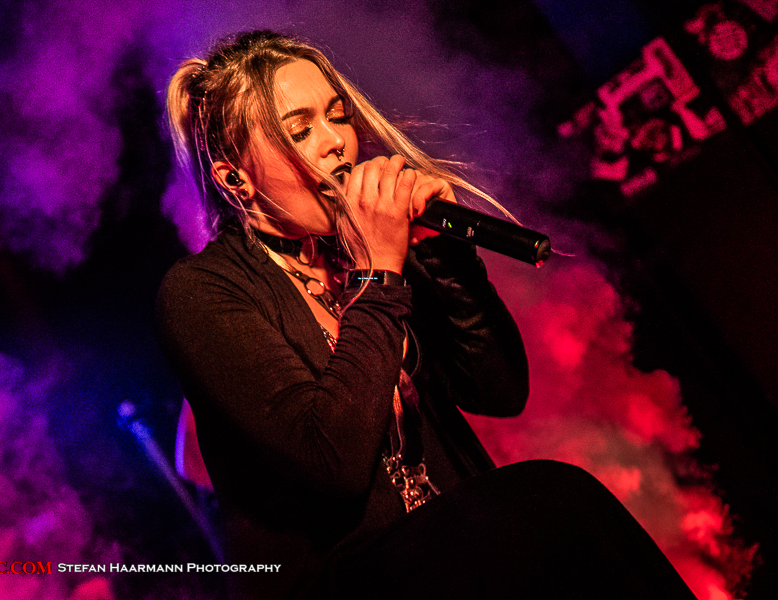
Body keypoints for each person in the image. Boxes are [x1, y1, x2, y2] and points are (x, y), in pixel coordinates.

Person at [157, 30, 698, 600]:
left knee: (565, 514)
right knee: (553, 496)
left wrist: (444, 256)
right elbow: (331, 463)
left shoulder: (373, 253)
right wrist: (377, 275)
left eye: (337, 116)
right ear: (235, 178)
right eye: (300, 131)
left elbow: (499, 390)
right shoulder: (202, 293)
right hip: (349, 581)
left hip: (458, 552)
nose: (336, 142)